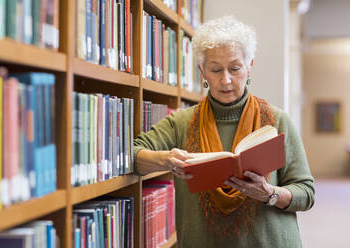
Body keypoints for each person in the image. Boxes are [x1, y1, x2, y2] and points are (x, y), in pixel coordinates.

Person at [134, 15, 315, 247]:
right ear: (202, 71)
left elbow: (306, 193)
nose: (226, 80)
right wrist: (166, 159)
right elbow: (134, 154)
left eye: (235, 68)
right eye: (216, 70)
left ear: (249, 67)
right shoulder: (181, 122)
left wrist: (269, 193)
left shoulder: (277, 121)